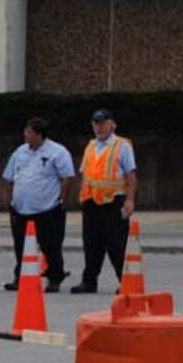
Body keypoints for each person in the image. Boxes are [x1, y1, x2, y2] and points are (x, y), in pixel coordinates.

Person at [1, 117, 74, 292]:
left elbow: (67, 177)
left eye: (29, 132)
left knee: (51, 246)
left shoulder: (57, 152)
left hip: (47, 209)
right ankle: (21, 277)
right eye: (25, 131)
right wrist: (12, 200)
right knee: (20, 246)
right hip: (21, 209)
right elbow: (8, 177)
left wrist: (61, 200)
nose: (25, 135)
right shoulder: (20, 152)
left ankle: (55, 278)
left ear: (40, 135)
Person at [72, 108, 137, 294]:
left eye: (102, 123)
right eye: (96, 123)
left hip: (113, 200)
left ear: (112, 124)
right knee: (91, 243)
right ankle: (89, 281)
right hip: (91, 201)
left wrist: (130, 199)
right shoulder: (91, 146)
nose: (99, 127)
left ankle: (125, 281)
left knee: (117, 243)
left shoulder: (121, 145)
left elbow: (131, 174)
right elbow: (85, 174)